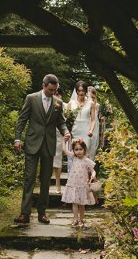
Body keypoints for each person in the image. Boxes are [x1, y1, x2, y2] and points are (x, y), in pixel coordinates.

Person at [14, 74, 70, 225]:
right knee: (29, 178)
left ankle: (42, 213)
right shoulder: (31, 98)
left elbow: (61, 122)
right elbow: (22, 119)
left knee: (45, 180)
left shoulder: (58, 102)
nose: (52, 93)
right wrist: (17, 138)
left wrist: (66, 132)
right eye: (50, 90)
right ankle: (24, 213)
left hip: (49, 144)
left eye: (55, 90)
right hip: (32, 143)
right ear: (43, 86)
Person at [61, 138, 96, 227]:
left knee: (82, 204)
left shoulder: (86, 160)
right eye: (76, 150)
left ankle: (81, 220)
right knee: (74, 203)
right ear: (74, 150)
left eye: (80, 149)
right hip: (73, 184)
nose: (78, 152)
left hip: (82, 185)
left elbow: (93, 170)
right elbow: (64, 151)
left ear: (84, 150)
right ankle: (75, 219)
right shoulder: (73, 157)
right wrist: (63, 141)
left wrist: (93, 175)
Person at [65, 81, 94, 169]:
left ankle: (86, 178)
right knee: (75, 154)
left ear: (86, 91)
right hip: (75, 132)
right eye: (79, 90)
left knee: (85, 155)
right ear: (76, 91)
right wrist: (68, 131)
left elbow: (93, 120)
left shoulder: (91, 104)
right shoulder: (71, 104)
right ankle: (74, 177)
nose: (81, 93)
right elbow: (67, 119)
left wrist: (91, 130)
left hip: (86, 132)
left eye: (83, 90)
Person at [52, 86, 67, 194]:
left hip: (59, 135)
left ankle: (58, 185)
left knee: (57, 160)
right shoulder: (48, 103)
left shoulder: (64, 105)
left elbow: (65, 121)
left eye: (58, 94)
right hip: (48, 134)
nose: (56, 96)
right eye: (54, 93)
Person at [87, 86, 101, 161]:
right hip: (87, 123)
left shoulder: (97, 105)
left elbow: (97, 117)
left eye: (92, 97)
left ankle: (91, 161)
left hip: (95, 125)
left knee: (93, 144)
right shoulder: (86, 104)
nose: (91, 99)